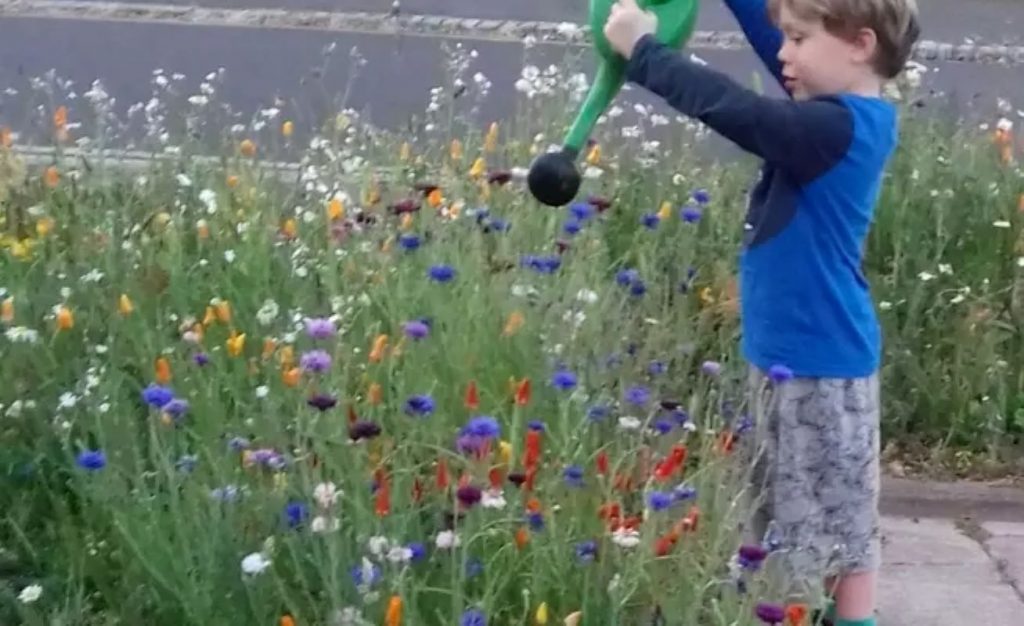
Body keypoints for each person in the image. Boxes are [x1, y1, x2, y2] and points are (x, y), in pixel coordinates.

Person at [603, 0, 920, 625]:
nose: (783, 54)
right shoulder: (843, 111)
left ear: (858, 44)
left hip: (814, 369)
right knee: (830, 510)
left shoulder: (832, 131)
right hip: (803, 358)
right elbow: (777, 46)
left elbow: (739, 113)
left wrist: (645, 53)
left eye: (799, 39)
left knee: (805, 525)